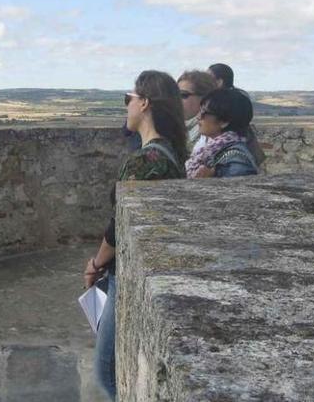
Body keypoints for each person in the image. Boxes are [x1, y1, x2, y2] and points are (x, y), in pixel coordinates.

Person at [84, 70, 187, 400]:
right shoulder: (171, 153)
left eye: (127, 99)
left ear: (144, 103)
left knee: (108, 373)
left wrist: (96, 262)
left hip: (125, 274)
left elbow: (118, 225)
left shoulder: (144, 162)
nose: (125, 106)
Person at [186, 88, 259, 178]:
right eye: (199, 111)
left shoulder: (236, 161)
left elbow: (238, 190)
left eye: (204, 113)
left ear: (224, 121)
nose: (198, 117)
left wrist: (205, 182)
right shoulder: (211, 150)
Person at [206, 63, 266, 165]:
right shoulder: (239, 97)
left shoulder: (227, 102)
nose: (205, 83)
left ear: (219, 82)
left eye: (208, 79)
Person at [177, 70, 218, 152]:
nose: (176, 100)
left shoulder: (213, 136)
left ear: (205, 98)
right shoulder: (176, 129)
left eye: (183, 95)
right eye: (175, 94)